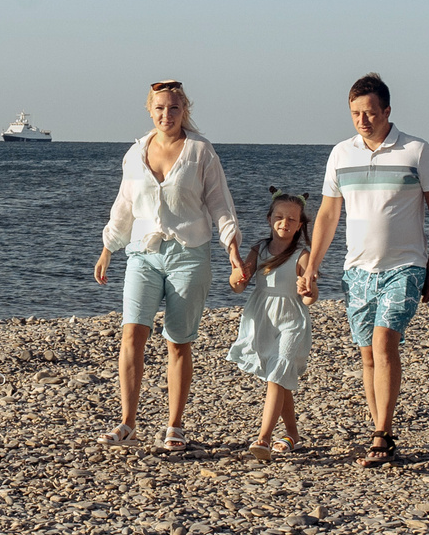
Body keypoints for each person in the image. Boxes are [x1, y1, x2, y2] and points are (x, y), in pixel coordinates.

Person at [297, 73, 429, 467]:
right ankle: (378, 425)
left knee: (384, 343)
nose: (362, 120)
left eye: (369, 113)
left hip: (405, 266)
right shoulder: (341, 154)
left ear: (387, 111)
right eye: (355, 114)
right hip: (357, 271)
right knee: (366, 354)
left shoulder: (416, 151)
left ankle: (383, 434)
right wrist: (312, 265)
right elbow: (329, 213)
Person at [92, 80, 243, 451]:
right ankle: (128, 422)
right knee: (132, 335)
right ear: (149, 110)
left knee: (178, 341)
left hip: (189, 254)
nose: (166, 115)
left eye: (173, 108)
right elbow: (124, 204)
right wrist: (108, 247)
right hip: (143, 253)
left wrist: (233, 249)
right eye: (160, 108)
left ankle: (175, 424)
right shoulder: (134, 153)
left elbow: (220, 204)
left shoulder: (200, 152)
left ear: (184, 110)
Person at [225, 188, 314, 455]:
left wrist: (307, 291)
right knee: (279, 376)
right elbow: (238, 287)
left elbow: (311, 297)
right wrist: (237, 275)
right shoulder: (259, 249)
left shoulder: (303, 255)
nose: (284, 223)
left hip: (291, 319)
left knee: (277, 373)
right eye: (279, 217)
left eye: (291, 219)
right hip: (262, 315)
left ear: (300, 225)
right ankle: (293, 435)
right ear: (269, 219)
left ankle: (263, 438)